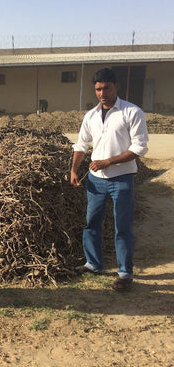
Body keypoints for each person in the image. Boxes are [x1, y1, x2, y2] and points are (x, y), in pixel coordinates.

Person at [70, 68, 149, 291]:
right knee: (91, 223)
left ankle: (124, 273)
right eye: (98, 89)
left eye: (106, 88)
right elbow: (81, 144)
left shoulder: (132, 112)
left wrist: (108, 161)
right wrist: (74, 169)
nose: (102, 93)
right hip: (96, 180)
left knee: (122, 226)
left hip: (122, 178)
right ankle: (93, 263)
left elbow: (139, 148)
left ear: (116, 86)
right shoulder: (91, 116)